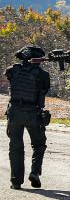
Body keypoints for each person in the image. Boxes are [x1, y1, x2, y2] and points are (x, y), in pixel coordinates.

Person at [5, 46, 50, 189]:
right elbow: (45, 89)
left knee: (16, 147)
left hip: (15, 112)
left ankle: (16, 181)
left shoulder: (11, 70)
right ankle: (35, 173)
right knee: (39, 145)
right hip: (33, 113)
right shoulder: (43, 75)